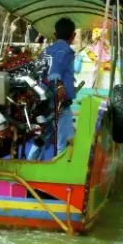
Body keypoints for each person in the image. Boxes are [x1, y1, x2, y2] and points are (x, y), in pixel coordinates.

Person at [29, 17, 77, 160]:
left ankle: (31, 162)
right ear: (73, 36)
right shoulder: (67, 51)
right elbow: (55, 69)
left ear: (55, 35)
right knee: (65, 140)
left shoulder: (46, 51)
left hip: (44, 102)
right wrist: (60, 85)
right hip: (60, 103)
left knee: (44, 137)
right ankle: (62, 173)